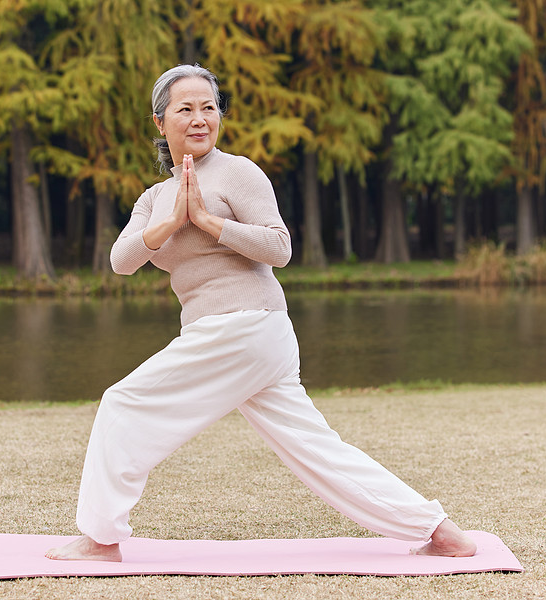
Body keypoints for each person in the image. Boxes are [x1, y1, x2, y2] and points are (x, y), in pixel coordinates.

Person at [46, 64, 476, 562]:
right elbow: (121, 262)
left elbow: (279, 247)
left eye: (209, 107)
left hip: (244, 326)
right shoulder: (153, 199)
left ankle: (100, 539)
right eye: (186, 109)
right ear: (160, 123)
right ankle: (440, 531)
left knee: (123, 405)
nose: (200, 118)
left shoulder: (238, 171)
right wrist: (172, 221)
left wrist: (208, 222)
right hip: (245, 337)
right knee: (317, 450)